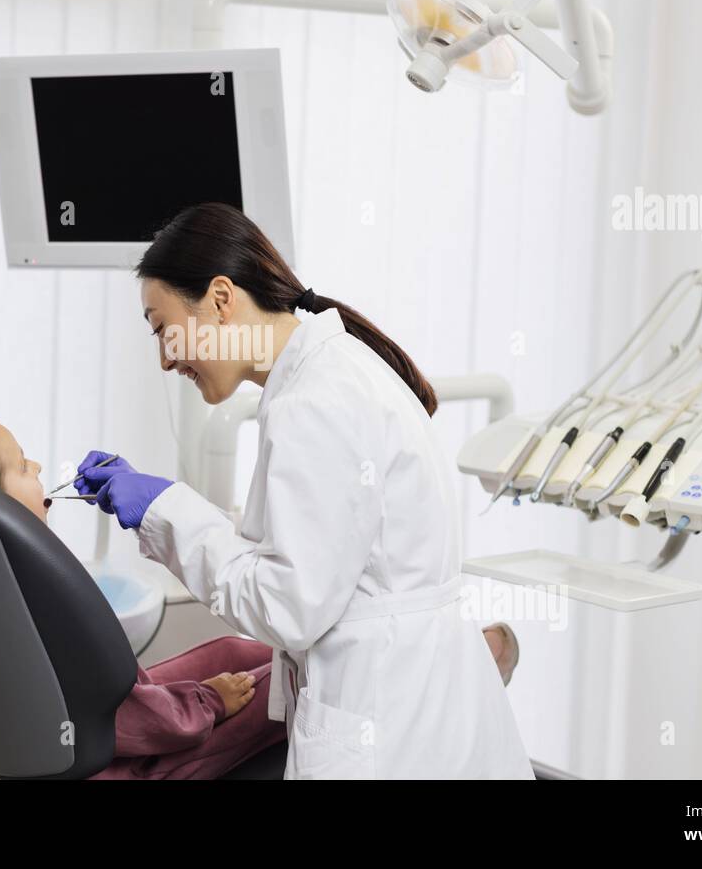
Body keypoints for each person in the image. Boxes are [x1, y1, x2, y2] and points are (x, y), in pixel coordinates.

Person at [77, 202, 534, 778]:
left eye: (162, 329)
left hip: (388, 724)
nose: (165, 360)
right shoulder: (323, 374)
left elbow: (285, 607)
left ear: (221, 298)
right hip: (410, 704)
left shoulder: (314, 399)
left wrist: (165, 511)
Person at [0, 410, 521, 779]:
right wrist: (206, 705)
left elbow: (114, 697)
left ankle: (454, 658)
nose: (38, 472)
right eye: (23, 467)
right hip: (142, 762)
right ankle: (459, 666)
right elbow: (122, 719)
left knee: (233, 647)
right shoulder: (34, 608)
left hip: (118, 734)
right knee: (305, 687)